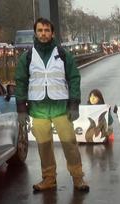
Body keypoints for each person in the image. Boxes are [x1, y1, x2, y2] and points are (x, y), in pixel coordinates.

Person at [15, 18, 89, 192]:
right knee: (44, 147)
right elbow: (20, 82)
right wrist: (21, 110)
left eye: (46, 30)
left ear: (52, 33)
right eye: (40, 30)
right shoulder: (27, 56)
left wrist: (74, 105)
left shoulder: (63, 54)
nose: (43, 33)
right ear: (35, 33)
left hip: (60, 108)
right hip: (38, 109)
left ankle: (78, 178)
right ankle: (49, 179)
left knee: (69, 144)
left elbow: (74, 78)